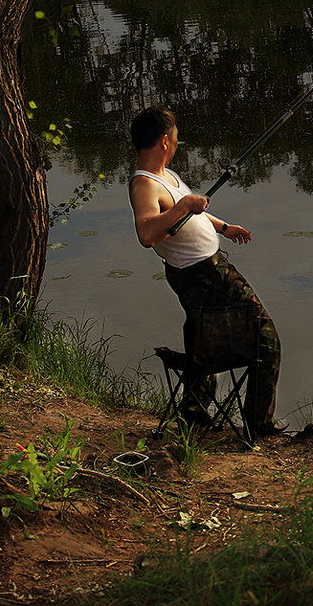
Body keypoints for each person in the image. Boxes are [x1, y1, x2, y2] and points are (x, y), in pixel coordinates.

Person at [128, 105, 285, 436]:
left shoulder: (165, 177)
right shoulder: (144, 184)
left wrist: (223, 226)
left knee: (205, 338)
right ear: (164, 142)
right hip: (205, 275)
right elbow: (146, 233)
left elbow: (189, 212)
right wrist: (186, 205)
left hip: (208, 268)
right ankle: (259, 425)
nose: (175, 142)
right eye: (175, 137)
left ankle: (195, 413)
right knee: (266, 340)